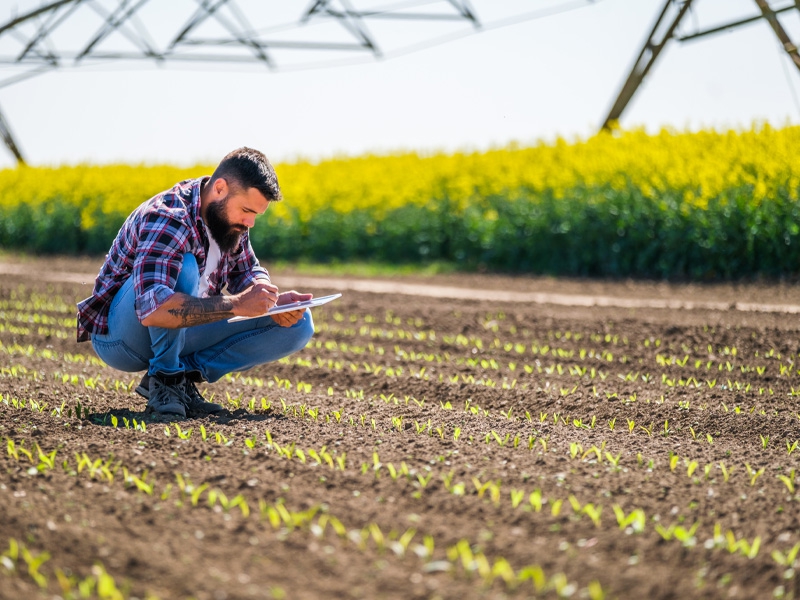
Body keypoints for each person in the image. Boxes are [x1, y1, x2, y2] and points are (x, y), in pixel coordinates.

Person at [76, 147, 314, 418]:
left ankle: (183, 375)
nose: (250, 223)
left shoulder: (231, 221)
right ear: (220, 189)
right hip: (121, 338)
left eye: (256, 215)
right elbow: (154, 309)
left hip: (181, 327)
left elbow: (247, 272)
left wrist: (269, 298)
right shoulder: (168, 216)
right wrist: (237, 304)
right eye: (247, 210)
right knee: (185, 267)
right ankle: (166, 378)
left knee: (298, 324)